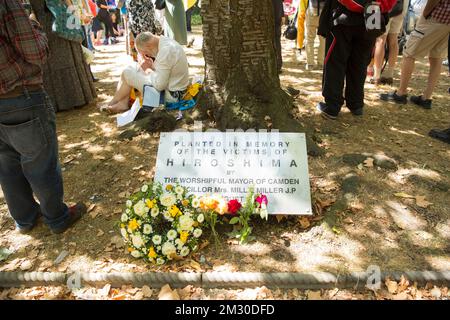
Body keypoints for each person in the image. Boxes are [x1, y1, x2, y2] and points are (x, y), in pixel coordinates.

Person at [0, 0, 86, 234]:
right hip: (21, 93)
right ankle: (56, 217)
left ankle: (25, 219)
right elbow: (36, 52)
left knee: (6, 165)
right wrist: (35, 25)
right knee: (40, 161)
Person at [316, 0, 397, 119]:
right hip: (369, 17)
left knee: (337, 63)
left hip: (349, 17)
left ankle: (334, 106)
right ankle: (355, 104)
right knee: (359, 63)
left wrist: (360, 5)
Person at [380, 0, 450, 109]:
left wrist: (425, 14)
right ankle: (426, 97)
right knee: (437, 56)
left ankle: (401, 93)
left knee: (409, 53)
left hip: (435, 17)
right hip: (447, 21)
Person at [101, 32, 190, 114]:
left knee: (127, 73)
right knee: (133, 67)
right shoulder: (164, 42)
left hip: (172, 96)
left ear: (149, 46)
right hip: (172, 87)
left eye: (146, 53)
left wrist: (148, 69)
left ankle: (113, 102)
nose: (149, 56)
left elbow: (160, 85)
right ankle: (122, 103)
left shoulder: (165, 51)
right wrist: (151, 67)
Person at [371, 0, 409, 85]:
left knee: (380, 41)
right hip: (401, 6)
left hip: (386, 6)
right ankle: (389, 74)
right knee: (393, 41)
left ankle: (376, 76)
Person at [303, 0, 326, 70]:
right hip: (324, 11)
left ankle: (310, 64)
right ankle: (321, 63)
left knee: (309, 39)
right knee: (323, 38)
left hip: (312, 10)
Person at [273, 0, 285, 73]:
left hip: (276, 11)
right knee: (277, 41)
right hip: (277, 10)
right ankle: (278, 64)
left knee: (276, 40)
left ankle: (278, 64)